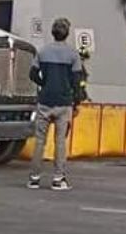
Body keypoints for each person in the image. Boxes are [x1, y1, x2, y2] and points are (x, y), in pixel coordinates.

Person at [27, 18, 87, 191]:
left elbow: (32, 74)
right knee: (60, 142)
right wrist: (76, 102)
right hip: (63, 103)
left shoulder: (43, 51)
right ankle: (58, 179)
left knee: (40, 141)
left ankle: (34, 178)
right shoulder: (73, 54)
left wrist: (43, 83)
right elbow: (77, 81)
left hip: (45, 101)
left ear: (53, 32)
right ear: (67, 33)